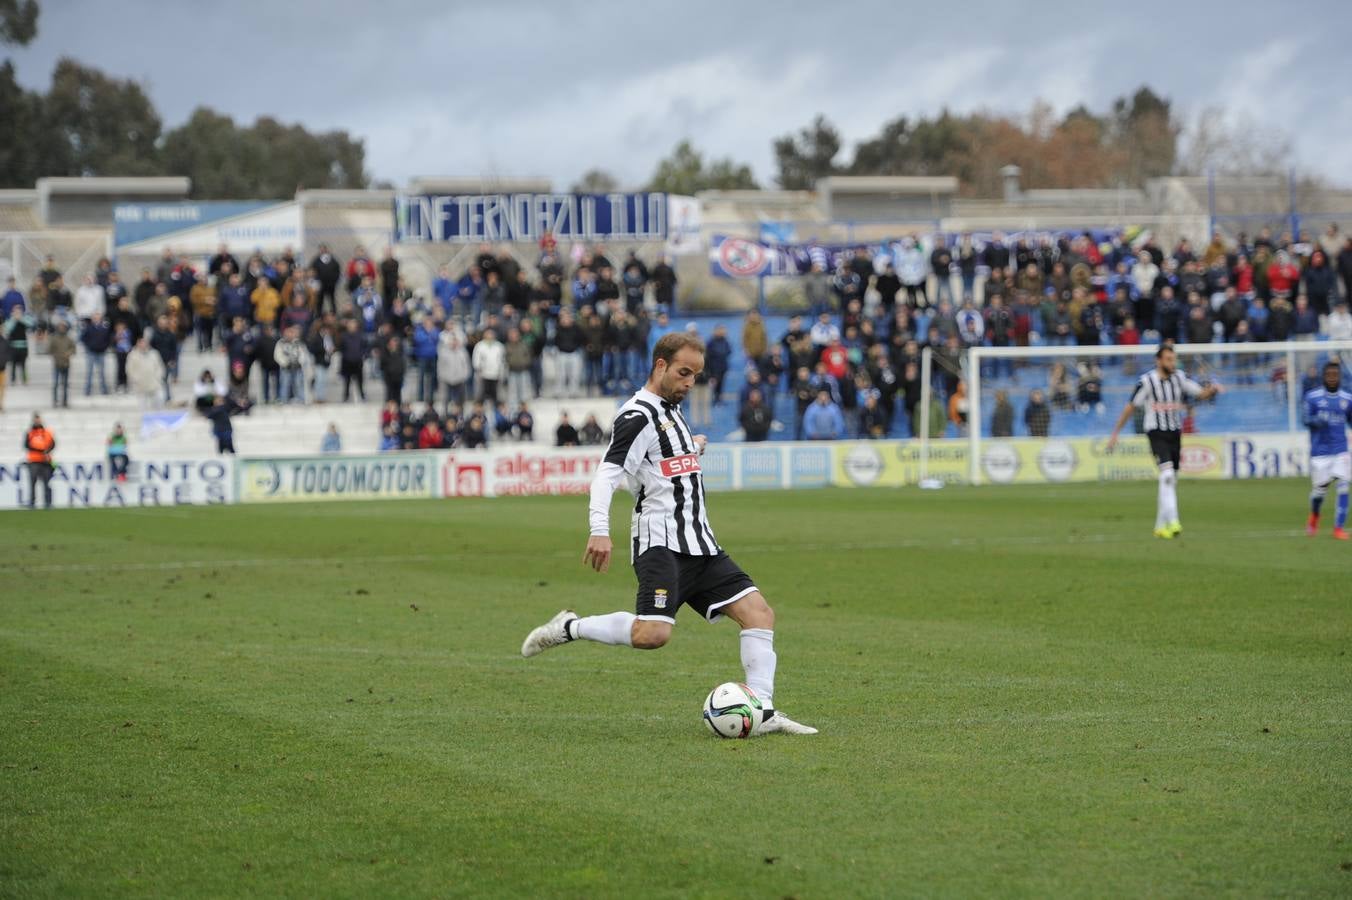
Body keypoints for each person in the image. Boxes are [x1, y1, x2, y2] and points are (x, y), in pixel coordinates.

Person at [520, 331, 816, 735]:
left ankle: (762, 710)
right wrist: (599, 530)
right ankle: (570, 627)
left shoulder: (671, 409)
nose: (690, 382)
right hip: (660, 542)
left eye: (695, 374)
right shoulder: (636, 415)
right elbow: (608, 475)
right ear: (660, 366)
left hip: (700, 540)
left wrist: (689, 449)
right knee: (653, 634)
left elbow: (659, 465)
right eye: (684, 372)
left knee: (759, 613)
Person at [1106, 345, 1222, 538]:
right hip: (1156, 432)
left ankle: (1160, 526)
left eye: (1173, 359)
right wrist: (1115, 433)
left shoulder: (1179, 377)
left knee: (1170, 479)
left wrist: (1212, 389)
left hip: (1175, 432)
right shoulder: (1146, 382)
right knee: (1167, 475)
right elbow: (1130, 406)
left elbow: (1200, 393)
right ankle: (1174, 521)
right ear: (1158, 361)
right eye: (1168, 359)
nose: (1172, 362)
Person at [1303, 361, 1352, 539]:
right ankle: (1315, 515)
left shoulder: (1348, 399)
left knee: (1344, 485)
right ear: (1324, 376)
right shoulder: (1312, 397)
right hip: (1320, 452)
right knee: (1319, 492)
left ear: (1339, 377)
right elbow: (1305, 419)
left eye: (1335, 375)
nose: (1332, 378)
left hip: (1341, 449)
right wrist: (1316, 421)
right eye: (1329, 375)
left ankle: (1338, 528)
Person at [24, 413, 56, 509]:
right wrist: (41, 450)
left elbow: (53, 444)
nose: (37, 421)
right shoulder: (29, 433)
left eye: (39, 419)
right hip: (33, 461)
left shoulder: (47, 432)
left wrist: (47, 451)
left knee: (47, 482)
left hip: (45, 461)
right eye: (36, 420)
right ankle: (32, 502)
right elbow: (26, 445)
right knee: (32, 482)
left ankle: (48, 502)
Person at [128, 338, 166, 409]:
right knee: (142, 406)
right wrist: (135, 379)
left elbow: (160, 366)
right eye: (141, 343)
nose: (143, 345)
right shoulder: (133, 355)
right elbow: (129, 369)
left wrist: (158, 377)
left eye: (144, 343)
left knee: (159, 399)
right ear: (138, 344)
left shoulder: (154, 353)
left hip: (154, 382)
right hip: (140, 384)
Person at [47, 321, 76, 408]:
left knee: (65, 384)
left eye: (63, 327)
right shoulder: (54, 338)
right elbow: (49, 350)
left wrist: (68, 353)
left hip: (66, 364)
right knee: (55, 384)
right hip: (57, 363)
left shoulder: (69, 339)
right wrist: (56, 355)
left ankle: (65, 401)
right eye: (60, 326)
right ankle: (55, 401)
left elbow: (73, 349)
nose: (62, 328)